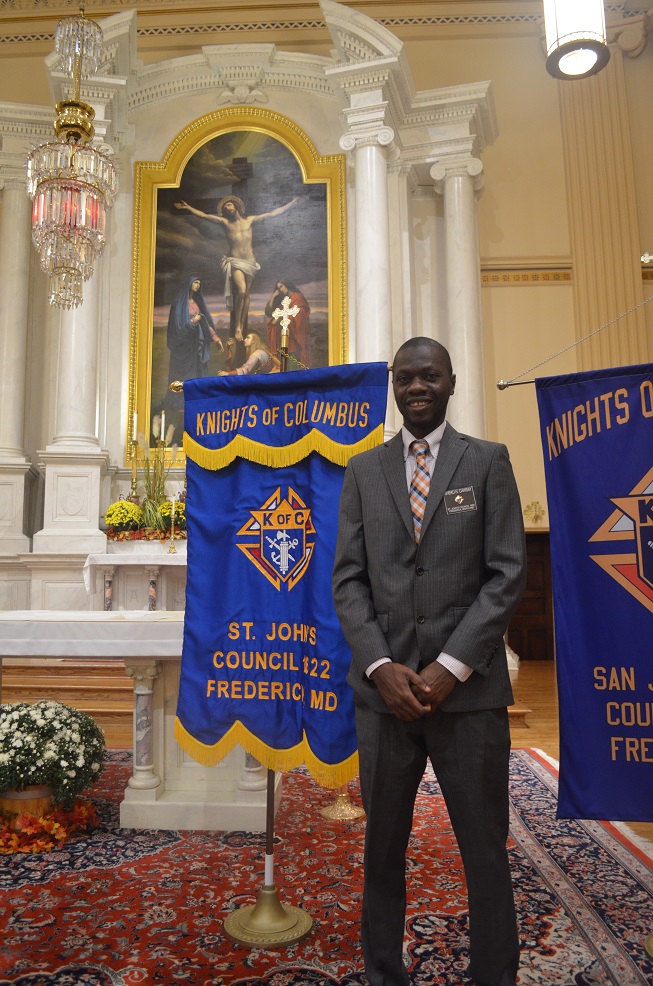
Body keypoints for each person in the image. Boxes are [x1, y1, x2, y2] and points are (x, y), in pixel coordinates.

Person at [332, 337, 527, 986]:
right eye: (405, 378)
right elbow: (348, 581)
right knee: (382, 849)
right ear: (393, 385)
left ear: (450, 382)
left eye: (429, 376)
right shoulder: (363, 470)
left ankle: (494, 975)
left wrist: (449, 666)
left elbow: (506, 575)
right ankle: (382, 972)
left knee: (484, 850)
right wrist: (379, 666)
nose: (417, 387)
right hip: (383, 701)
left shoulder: (487, 461)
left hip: (467, 698)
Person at [174, 194, 300, 342]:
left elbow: (272, 214)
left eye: (229, 205)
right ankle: (238, 327)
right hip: (236, 261)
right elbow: (204, 216)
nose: (227, 208)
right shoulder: (225, 222)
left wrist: (292, 203)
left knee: (247, 295)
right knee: (242, 291)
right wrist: (188, 207)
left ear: (236, 205)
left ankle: (241, 324)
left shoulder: (250, 220)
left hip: (250, 262)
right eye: (225, 207)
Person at [162, 275, 222, 413]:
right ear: (189, 284)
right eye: (195, 282)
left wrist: (216, 338)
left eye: (199, 283)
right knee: (184, 373)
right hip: (183, 346)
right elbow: (179, 326)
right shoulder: (179, 304)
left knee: (195, 372)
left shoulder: (196, 303)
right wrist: (194, 321)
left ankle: (194, 401)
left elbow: (204, 321)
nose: (197, 285)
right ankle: (180, 403)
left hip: (195, 344)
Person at [265, 278, 311, 368]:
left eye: (282, 286)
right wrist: (273, 297)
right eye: (279, 288)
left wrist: (279, 319)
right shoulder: (285, 299)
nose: (281, 289)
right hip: (283, 338)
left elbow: (300, 314)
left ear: (287, 284)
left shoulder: (297, 297)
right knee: (282, 364)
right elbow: (269, 313)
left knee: (292, 364)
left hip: (294, 338)